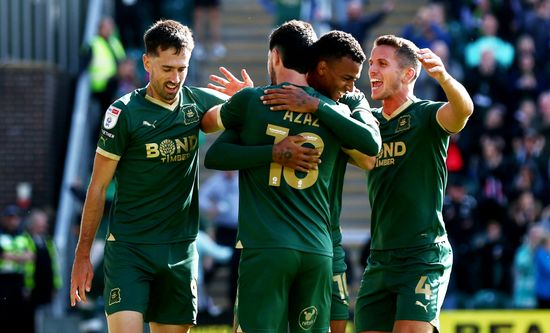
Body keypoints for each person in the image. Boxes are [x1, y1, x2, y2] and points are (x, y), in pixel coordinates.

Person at [202, 21, 381, 332]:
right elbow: (371, 146)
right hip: (317, 250)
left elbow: (215, 156)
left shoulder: (253, 101)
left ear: (275, 56)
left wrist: (271, 152)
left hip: (266, 247)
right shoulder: (334, 108)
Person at [69, 19, 228, 333]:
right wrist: (83, 254)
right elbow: (98, 187)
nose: (176, 78)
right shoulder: (124, 112)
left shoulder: (197, 103)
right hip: (130, 249)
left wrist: (245, 98)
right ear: (147, 62)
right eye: (167, 68)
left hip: (180, 250)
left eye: (182, 68)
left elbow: (240, 114)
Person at [352, 34, 474, 333]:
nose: (372, 71)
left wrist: (443, 76)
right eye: (371, 64)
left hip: (422, 254)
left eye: (382, 63)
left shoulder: (426, 115)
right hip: (380, 258)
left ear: (409, 73)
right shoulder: (370, 124)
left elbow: (463, 111)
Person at [199, 170, 240, 308]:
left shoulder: (241, 179)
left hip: (239, 231)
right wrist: (211, 207)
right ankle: (202, 302)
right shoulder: (216, 181)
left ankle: (233, 305)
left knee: (237, 269)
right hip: (222, 231)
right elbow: (200, 197)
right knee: (209, 266)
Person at [24, 208, 62, 332]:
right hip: (32, 287)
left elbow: (54, 265)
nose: (45, 225)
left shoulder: (48, 242)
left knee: (45, 317)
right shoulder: (25, 240)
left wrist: (56, 285)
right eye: (42, 223)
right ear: (33, 224)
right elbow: (27, 266)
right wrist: (26, 286)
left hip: (46, 286)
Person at [0, 205, 35, 332]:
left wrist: (10, 256)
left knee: (19, 314)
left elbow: (31, 256)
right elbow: (3, 255)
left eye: (15, 218)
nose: (12, 221)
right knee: (4, 313)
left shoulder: (25, 236)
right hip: (3, 279)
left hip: (19, 279)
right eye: (10, 218)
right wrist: (20, 256)